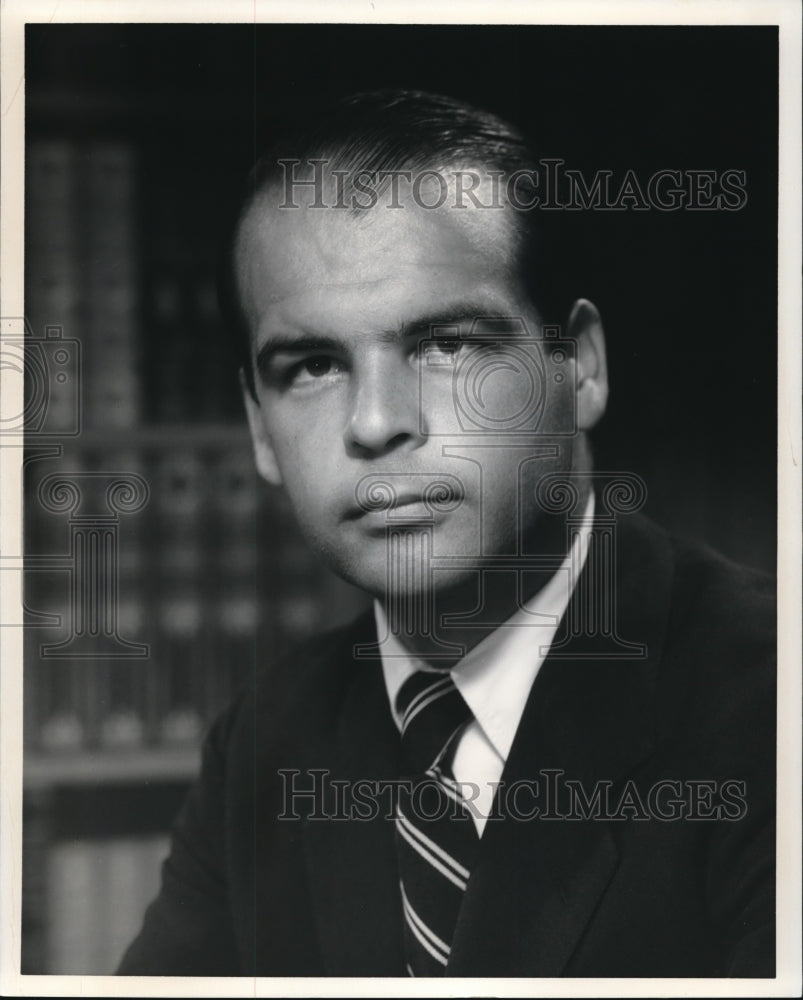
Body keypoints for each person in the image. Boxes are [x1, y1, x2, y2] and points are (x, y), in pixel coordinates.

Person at [118, 90, 775, 978]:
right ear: (259, 429)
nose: (376, 423)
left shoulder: (772, 705)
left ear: (577, 366)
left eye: (445, 345)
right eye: (312, 366)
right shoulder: (264, 744)